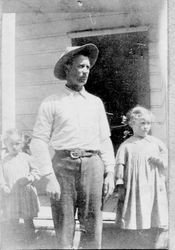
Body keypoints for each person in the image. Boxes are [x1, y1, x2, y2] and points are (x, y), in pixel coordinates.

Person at [30, 43, 115, 249]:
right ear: (67, 68)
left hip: (93, 165)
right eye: (79, 66)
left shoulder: (95, 103)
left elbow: (104, 139)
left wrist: (110, 172)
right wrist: (49, 177)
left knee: (92, 225)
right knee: (64, 226)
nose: (85, 71)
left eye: (87, 67)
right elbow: (38, 141)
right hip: (63, 167)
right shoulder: (52, 102)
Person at [115, 106, 168, 249]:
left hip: (153, 186)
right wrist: (120, 184)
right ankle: (136, 240)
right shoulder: (126, 145)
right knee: (136, 212)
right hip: (135, 187)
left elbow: (168, 161)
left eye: (148, 124)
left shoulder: (156, 143)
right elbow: (120, 165)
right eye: (142, 124)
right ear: (132, 124)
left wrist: (159, 160)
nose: (146, 127)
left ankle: (154, 239)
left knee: (153, 211)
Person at [0, 129, 40, 244]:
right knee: (13, 219)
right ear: (5, 144)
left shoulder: (26, 157)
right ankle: (14, 240)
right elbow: (0, 176)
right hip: (11, 194)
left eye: (17, 143)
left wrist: (29, 178)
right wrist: (3, 186)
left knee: (28, 218)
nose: (14, 147)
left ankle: (30, 238)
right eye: (11, 144)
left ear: (22, 144)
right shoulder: (3, 160)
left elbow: (36, 172)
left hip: (25, 193)